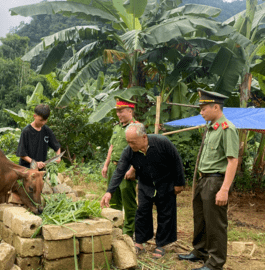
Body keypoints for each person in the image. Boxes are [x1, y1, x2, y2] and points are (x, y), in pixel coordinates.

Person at [101, 123, 185, 259]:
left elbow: (176, 161)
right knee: (142, 212)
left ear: (144, 137)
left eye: (132, 142)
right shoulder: (129, 151)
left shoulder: (162, 142)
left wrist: (179, 183)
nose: (130, 145)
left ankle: (161, 244)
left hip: (165, 182)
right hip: (145, 184)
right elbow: (120, 171)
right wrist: (109, 191)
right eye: (128, 142)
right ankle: (140, 242)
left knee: (165, 213)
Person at [178, 90, 239, 270]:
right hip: (204, 180)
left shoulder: (227, 128)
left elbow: (232, 161)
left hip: (216, 181)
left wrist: (224, 189)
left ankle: (215, 263)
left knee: (215, 223)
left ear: (215, 107)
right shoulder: (211, 128)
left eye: (204, 108)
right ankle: (200, 251)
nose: (201, 112)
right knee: (201, 218)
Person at [101, 95, 138, 237]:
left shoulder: (136, 127)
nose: (118, 114)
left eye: (121, 111)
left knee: (128, 202)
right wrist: (106, 165)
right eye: (117, 111)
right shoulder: (117, 128)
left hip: (127, 169)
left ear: (130, 110)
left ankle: (128, 232)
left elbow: (140, 150)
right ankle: (116, 229)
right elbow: (111, 147)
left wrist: (133, 169)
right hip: (113, 168)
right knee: (113, 198)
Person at [16, 104, 61, 169]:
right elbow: (22, 154)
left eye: (45, 120)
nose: (43, 123)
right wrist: (35, 163)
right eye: (41, 120)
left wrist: (58, 156)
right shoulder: (26, 131)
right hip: (27, 170)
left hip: (40, 171)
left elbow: (57, 147)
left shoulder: (46, 130)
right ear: (34, 116)